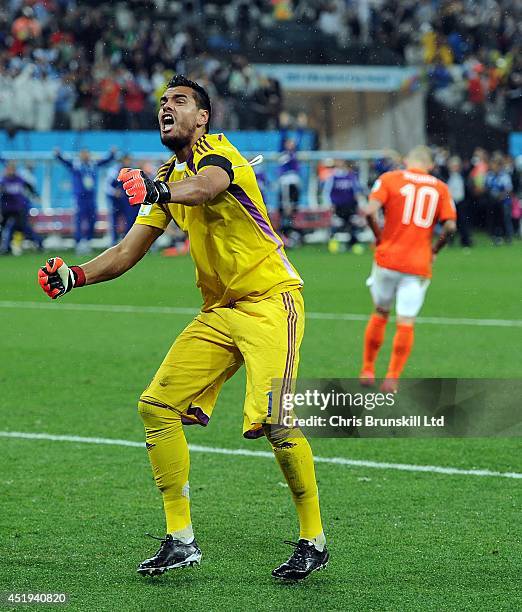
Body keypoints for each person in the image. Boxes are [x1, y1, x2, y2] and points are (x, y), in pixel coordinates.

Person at [37, 75, 328, 581]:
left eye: (179, 102)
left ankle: (313, 539)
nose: (166, 109)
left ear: (203, 117)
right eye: (162, 103)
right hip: (221, 311)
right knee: (156, 407)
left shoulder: (221, 154)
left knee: (276, 422)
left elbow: (206, 187)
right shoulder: (169, 177)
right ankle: (181, 539)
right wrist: (74, 275)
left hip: (271, 302)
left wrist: (160, 188)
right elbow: (128, 252)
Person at [359, 146, 456, 393]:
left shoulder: (389, 179)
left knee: (381, 311)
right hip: (417, 263)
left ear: (405, 161)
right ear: (431, 166)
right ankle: (391, 378)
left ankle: (368, 369)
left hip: (387, 259)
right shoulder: (440, 188)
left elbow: (370, 211)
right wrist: (435, 250)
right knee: (405, 321)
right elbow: (450, 228)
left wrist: (379, 236)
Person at [55, 147, 116, 253]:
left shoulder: (93, 164)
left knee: (93, 219)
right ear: (80, 155)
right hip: (79, 197)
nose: (85, 156)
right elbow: (65, 162)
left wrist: (112, 154)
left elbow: (105, 161)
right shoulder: (76, 165)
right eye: (83, 154)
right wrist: (58, 155)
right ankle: (79, 242)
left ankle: (88, 240)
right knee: (79, 219)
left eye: (87, 153)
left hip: (91, 197)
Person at [324, 160, 366, 253]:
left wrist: (360, 204)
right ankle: (333, 244)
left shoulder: (351, 177)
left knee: (353, 226)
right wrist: (329, 204)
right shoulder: (333, 177)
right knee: (336, 225)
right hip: (338, 206)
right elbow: (327, 191)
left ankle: (354, 245)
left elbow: (357, 191)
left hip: (350, 206)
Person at [0, 162, 40, 254]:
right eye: (9, 169)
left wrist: (36, 195)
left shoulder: (19, 179)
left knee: (22, 226)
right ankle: (6, 248)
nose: (10, 171)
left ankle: (38, 243)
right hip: (6, 208)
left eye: (12, 169)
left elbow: (29, 187)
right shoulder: (3, 181)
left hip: (18, 208)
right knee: (2, 228)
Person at [105, 154, 138, 245]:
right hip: (116, 201)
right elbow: (107, 187)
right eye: (126, 160)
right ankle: (114, 241)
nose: (128, 162)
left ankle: (127, 240)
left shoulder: (132, 171)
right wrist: (115, 192)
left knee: (130, 219)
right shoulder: (114, 171)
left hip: (127, 201)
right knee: (115, 221)